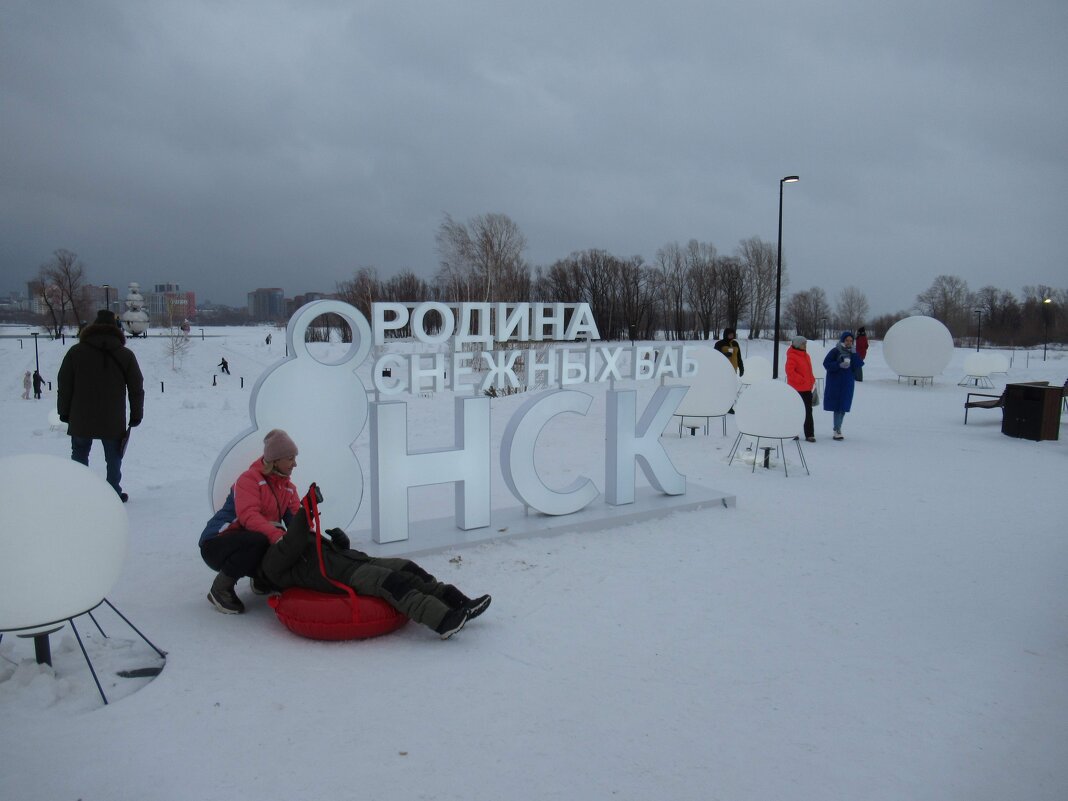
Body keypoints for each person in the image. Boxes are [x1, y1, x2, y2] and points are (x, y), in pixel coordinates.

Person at [258, 484, 491, 640]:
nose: (280, 533)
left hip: (355, 562)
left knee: (406, 567)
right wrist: (306, 509)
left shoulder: (293, 544)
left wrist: (340, 542)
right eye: (276, 531)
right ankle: (441, 621)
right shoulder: (273, 562)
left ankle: (459, 602)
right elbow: (294, 544)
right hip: (343, 578)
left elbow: (326, 554)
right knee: (391, 582)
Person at [199, 429, 301, 615]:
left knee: (282, 540)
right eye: (290, 458)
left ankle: (261, 579)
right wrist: (279, 537)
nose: (295, 463)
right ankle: (220, 589)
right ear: (275, 460)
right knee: (262, 539)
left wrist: (308, 539)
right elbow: (248, 516)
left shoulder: (289, 489)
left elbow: (296, 524)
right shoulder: (249, 479)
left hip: (246, 539)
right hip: (216, 542)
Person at [57, 309, 144, 501]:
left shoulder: (76, 352)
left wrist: (63, 411)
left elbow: (64, 384)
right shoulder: (125, 355)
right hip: (112, 418)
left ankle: (80, 490)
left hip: (81, 416)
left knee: (79, 452)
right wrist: (136, 414)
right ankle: (113, 492)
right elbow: (136, 387)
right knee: (113, 456)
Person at [822, 331, 864, 441]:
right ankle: (837, 429)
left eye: (851, 341)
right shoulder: (835, 351)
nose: (849, 342)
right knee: (837, 407)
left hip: (847, 383)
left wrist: (854, 354)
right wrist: (838, 365)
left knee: (844, 407)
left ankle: (838, 427)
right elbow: (826, 364)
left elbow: (858, 365)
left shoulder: (853, 352)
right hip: (835, 383)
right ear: (842, 340)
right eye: (847, 340)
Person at [785, 335, 816, 442]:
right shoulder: (792, 356)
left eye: (805, 343)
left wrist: (812, 379)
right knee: (796, 411)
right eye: (803, 344)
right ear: (798, 344)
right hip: (796, 389)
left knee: (808, 412)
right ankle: (793, 432)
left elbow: (808, 370)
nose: (805, 345)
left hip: (807, 388)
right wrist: (801, 380)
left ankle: (809, 434)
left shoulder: (806, 356)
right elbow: (790, 372)